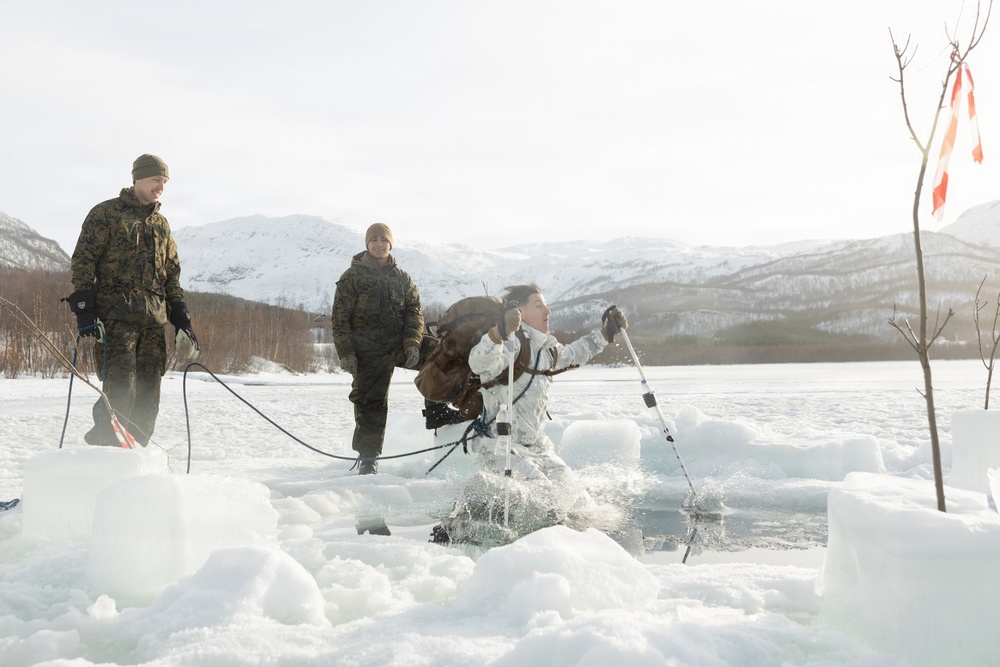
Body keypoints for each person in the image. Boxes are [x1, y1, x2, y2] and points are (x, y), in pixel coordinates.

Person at [432, 283, 627, 545]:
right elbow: (479, 362)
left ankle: (580, 551)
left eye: (546, 305)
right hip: (502, 448)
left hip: (538, 449)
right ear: (520, 313)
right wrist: (498, 332)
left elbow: (575, 353)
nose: (547, 310)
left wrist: (605, 333)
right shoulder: (509, 344)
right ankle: (468, 528)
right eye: (538, 305)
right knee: (546, 502)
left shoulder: (547, 350)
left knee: (581, 504)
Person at [68, 153, 199, 447]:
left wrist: (183, 323)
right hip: (116, 321)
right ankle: (104, 453)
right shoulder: (105, 215)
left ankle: (134, 456)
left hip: (153, 325)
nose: (160, 186)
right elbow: (83, 262)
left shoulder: (162, 226)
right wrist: (85, 311)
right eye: (156, 180)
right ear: (137, 178)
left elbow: (171, 278)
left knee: (148, 395)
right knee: (120, 390)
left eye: (164, 182)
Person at [331, 223, 423, 475]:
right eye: (374, 240)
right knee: (370, 400)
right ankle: (368, 457)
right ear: (367, 244)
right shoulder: (352, 277)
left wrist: (413, 342)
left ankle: (442, 416)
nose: (379, 244)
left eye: (384, 239)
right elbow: (340, 319)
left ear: (390, 244)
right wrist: (346, 352)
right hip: (367, 349)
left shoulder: (402, 277)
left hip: (400, 343)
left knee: (440, 355)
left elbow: (414, 311)